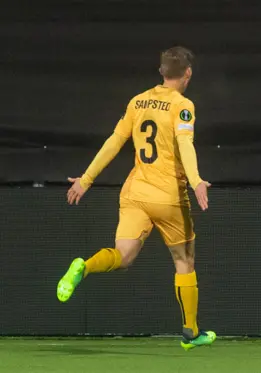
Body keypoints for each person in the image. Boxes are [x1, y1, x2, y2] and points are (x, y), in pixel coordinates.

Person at [57, 46, 216, 351]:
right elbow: (186, 145)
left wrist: (86, 179)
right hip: (169, 197)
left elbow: (114, 141)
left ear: (160, 71)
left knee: (122, 256)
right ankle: (190, 332)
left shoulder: (137, 101)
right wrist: (196, 182)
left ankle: (84, 266)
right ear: (188, 73)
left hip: (135, 193)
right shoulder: (183, 106)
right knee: (184, 261)